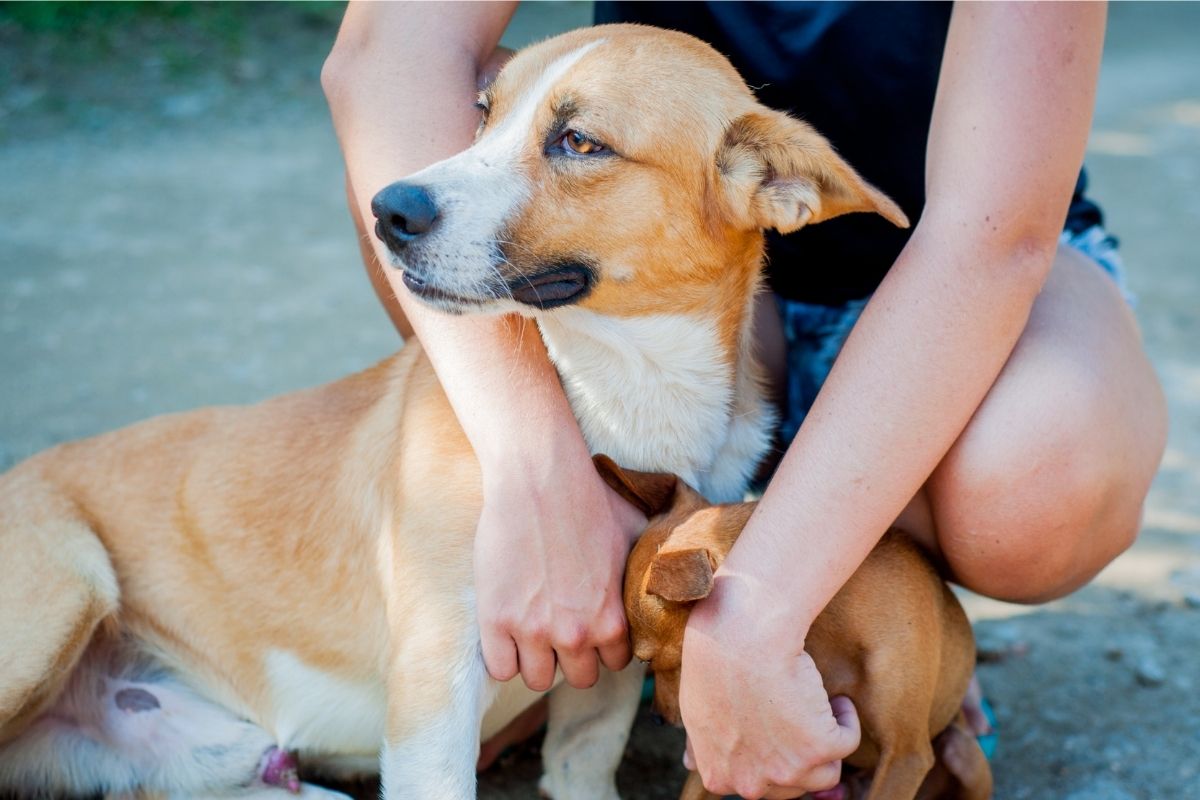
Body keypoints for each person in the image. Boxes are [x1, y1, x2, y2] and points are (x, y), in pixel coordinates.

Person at [321, 2, 1166, 798]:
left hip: (950, 265)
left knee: (1032, 484)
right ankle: (617, 587)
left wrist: (756, 621)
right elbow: (387, 57)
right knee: (422, 113)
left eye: (570, 140)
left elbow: (992, 238)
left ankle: (889, 615)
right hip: (694, 265)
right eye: (489, 115)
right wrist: (538, 471)